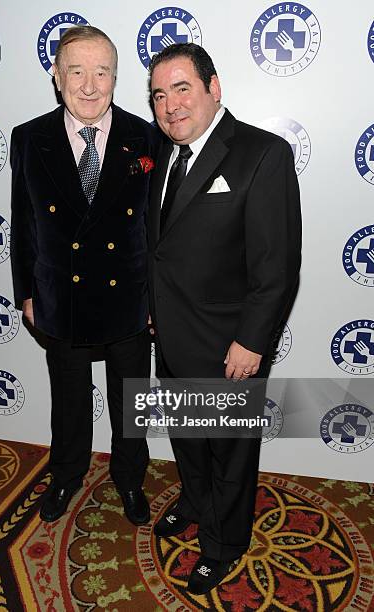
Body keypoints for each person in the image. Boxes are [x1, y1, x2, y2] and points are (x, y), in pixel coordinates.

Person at [147, 43, 301, 594]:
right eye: (159, 94)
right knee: (187, 439)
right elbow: (160, 247)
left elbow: (277, 266)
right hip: (170, 337)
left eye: (182, 88)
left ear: (215, 88)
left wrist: (252, 342)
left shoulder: (263, 154)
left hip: (228, 349)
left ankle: (224, 542)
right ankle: (193, 502)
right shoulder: (160, 154)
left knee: (230, 455)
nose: (170, 105)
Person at [10, 26, 158, 525]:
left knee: (130, 400)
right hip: (60, 297)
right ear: (57, 76)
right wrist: (26, 293)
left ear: (117, 77)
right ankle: (66, 476)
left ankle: (130, 479)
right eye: (77, 71)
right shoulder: (30, 138)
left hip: (130, 298)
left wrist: (158, 300)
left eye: (101, 72)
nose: (89, 85)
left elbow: (158, 229)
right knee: (69, 401)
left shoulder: (146, 135)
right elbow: (23, 221)